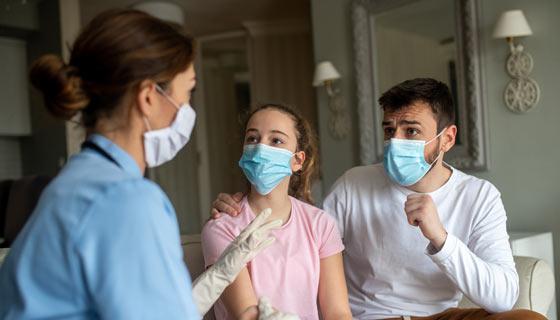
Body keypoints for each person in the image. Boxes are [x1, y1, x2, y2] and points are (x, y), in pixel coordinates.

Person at [0, 9, 282, 319]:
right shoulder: (127, 200)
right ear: (148, 97)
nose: (188, 109)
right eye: (187, 92)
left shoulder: (74, 182)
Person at [210, 79, 546, 319]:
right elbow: (304, 241)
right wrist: (241, 209)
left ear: (448, 138)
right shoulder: (355, 185)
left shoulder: (480, 196)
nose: (396, 141)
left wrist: (441, 240)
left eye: (411, 131)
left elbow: (502, 297)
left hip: (441, 315)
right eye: (390, 130)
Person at [201, 104, 352, 320]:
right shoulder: (221, 227)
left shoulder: (320, 224)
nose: (261, 147)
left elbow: (338, 313)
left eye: (276, 140)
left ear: (297, 160)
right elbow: (248, 315)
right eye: (252, 138)